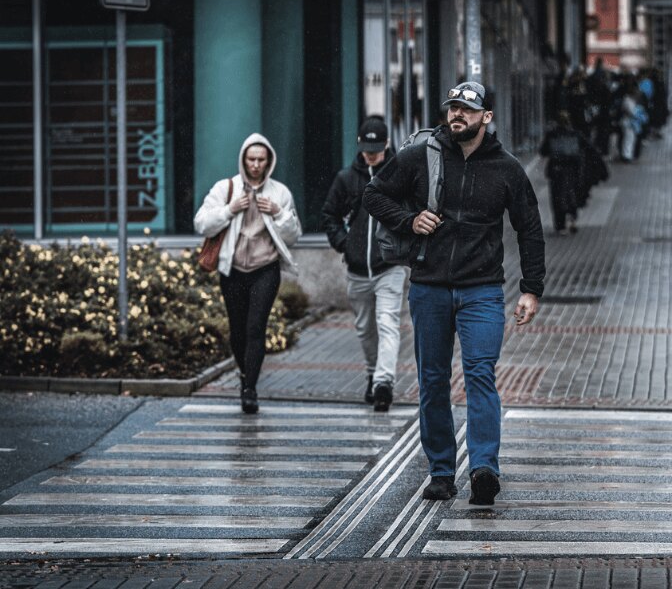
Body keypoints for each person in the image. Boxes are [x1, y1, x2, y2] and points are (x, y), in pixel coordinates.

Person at [363, 81, 546, 506]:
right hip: (429, 289)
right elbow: (374, 195)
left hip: (482, 289)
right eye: (452, 108)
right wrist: (409, 220)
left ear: (486, 116)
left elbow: (530, 229)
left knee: (481, 374)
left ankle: (483, 468)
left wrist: (531, 290)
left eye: (466, 108)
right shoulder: (419, 157)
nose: (456, 115)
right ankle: (442, 472)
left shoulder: (506, 168)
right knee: (433, 381)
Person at [194, 133, 302, 414]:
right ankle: (245, 374)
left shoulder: (279, 192)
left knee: (256, 328)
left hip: (265, 269)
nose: (255, 164)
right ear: (243, 159)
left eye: (261, 160)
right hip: (232, 269)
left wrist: (278, 213)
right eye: (251, 159)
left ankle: (249, 388)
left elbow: (293, 235)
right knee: (237, 331)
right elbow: (202, 224)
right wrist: (230, 209)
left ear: (269, 162)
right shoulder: (225, 188)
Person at [321, 117, 406, 412]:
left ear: (386, 144)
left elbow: (411, 212)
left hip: (389, 267)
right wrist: (345, 244)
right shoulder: (347, 178)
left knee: (387, 323)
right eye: (366, 147)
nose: (371, 154)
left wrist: (401, 245)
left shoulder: (399, 175)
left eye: (376, 148)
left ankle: (384, 383)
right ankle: (373, 373)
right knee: (365, 329)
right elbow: (329, 214)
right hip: (357, 269)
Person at [539, 110, 589, 235]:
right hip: (572, 170)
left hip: (556, 170)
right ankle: (572, 218)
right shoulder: (576, 134)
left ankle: (560, 225)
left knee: (557, 197)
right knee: (572, 194)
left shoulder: (552, 134)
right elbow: (585, 147)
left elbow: (543, 151)